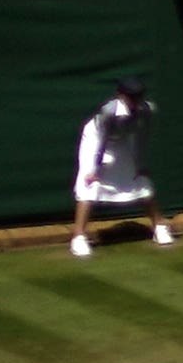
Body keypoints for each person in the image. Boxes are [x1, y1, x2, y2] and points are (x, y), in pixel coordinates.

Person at [65, 71, 171, 259]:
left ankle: (159, 226)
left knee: (140, 179)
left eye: (139, 96)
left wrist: (140, 164)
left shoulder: (147, 110)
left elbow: (141, 138)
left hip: (123, 139)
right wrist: (95, 170)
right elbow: (102, 140)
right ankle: (78, 237)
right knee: (89, 184)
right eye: (132, 96)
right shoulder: (109, 111)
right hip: (96, 140)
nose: (136, 100)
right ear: (121, 96)